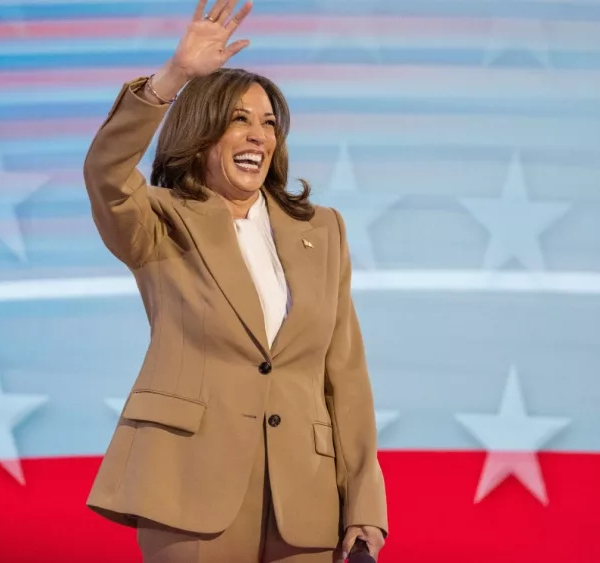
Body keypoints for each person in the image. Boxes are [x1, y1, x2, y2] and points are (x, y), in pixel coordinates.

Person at [81, 0, 388, 560]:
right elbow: (105, 174)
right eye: (239, 120)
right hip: (189, 490)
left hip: (307, 501)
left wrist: (365, 504)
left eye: (269, 123)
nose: (258, 137)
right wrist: (171, 79)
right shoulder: (159, 219)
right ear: (200, 131)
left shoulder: (322, 230)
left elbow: (344, 374)